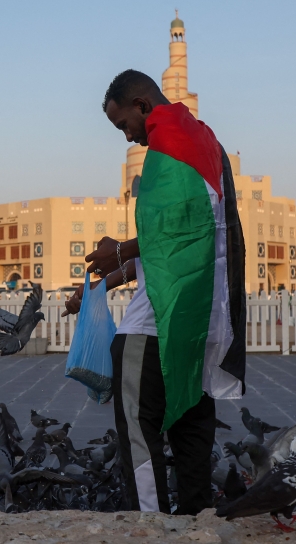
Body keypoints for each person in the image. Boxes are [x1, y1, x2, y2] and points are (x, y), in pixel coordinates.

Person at [63, 69, 246, 515]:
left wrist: (120, 248)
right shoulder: (203, 141)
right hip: (199, 325)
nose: (129, 137)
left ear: (143, 106)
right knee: (193, 438)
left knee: (139, 436)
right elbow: (176, 251)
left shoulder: (172, 143)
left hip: (153, 329)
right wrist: (102, 284)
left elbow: (184, 230)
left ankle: (152, 527)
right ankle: (197, 522)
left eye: (124, 124)